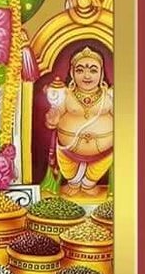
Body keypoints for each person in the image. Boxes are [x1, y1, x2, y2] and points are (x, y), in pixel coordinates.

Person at [44, 45, 113, 199]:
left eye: (93, 70)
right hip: (68, 151)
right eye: (80, 70)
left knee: (100, 166)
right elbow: (54, 116)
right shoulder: (66, 95)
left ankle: (89, 184)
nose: (86, 76)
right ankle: (73, 183)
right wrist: (52, 121)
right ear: (72, 73)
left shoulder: (109, 96)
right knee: (68, 167)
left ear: (101, 73)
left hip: (104, 152)